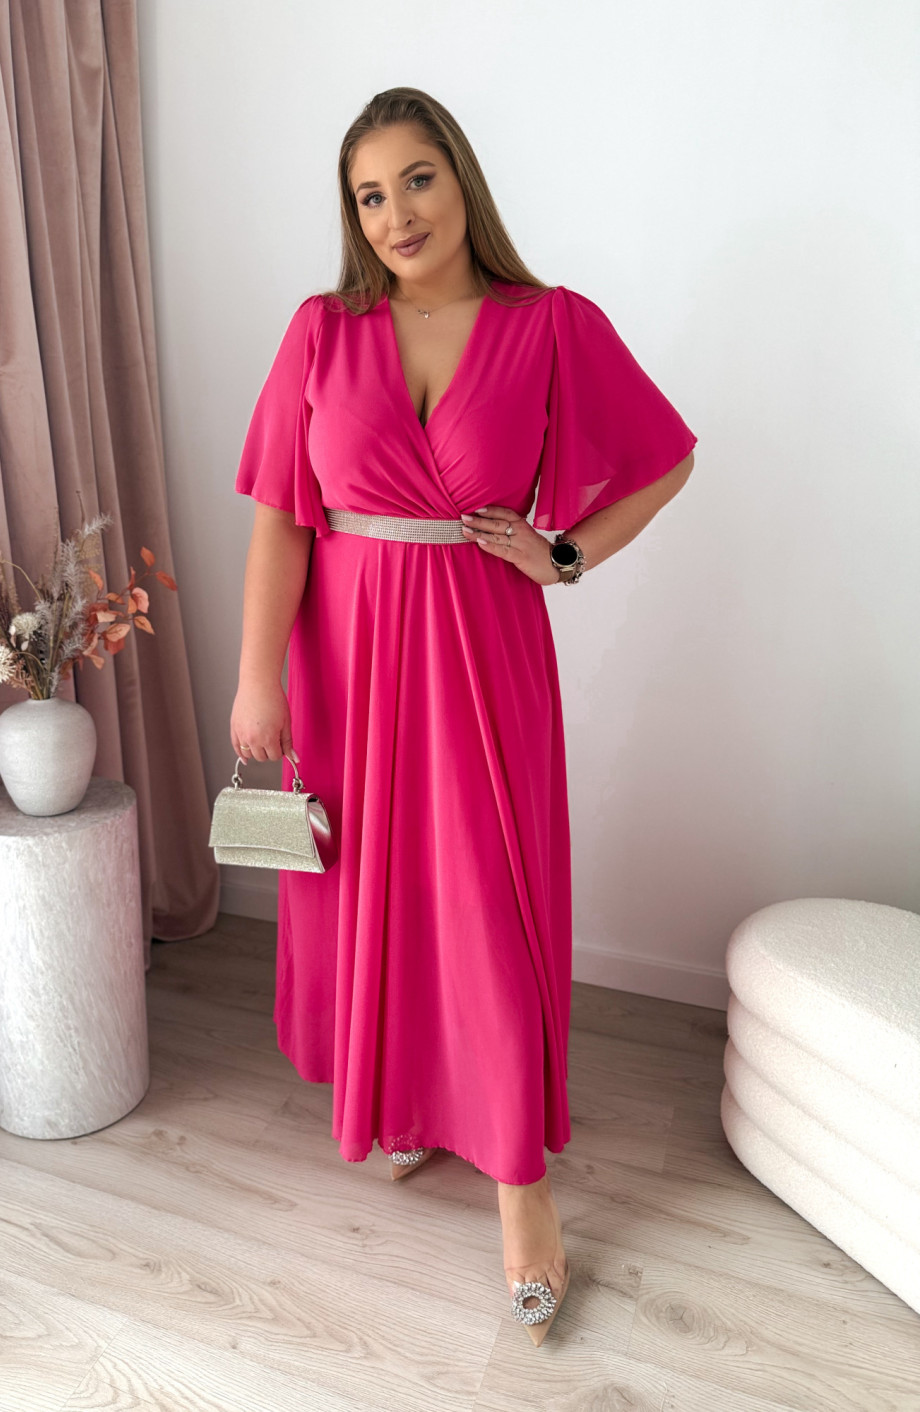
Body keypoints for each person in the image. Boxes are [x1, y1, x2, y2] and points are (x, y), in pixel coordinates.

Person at [230, 86, 697, 1346]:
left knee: (483, 898)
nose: (397, 214)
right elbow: (281, 517)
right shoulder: (322, 330)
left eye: (417, 179)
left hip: (484, 651)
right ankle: (406, 1101)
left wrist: (565, 553)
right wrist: (258, 677)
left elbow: (664, 458)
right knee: (381, 888)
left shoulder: (549, 323)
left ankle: (521, 1188)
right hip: (346, 656)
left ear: (462, 180)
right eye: (369, 195)